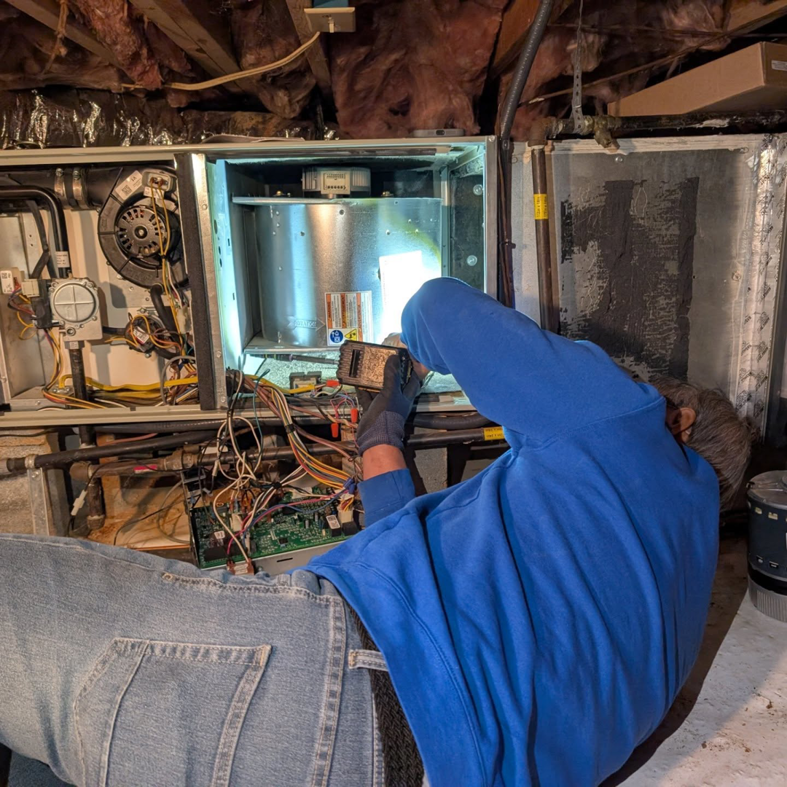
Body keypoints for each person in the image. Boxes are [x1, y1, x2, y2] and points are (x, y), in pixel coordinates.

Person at [0, 278, 752, 787]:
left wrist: (419, 356)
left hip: (316, 685)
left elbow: (434, 308)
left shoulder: (629, 423)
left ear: (675, 416)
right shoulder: (676, 614)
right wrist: (380, 427)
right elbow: (407, 549)